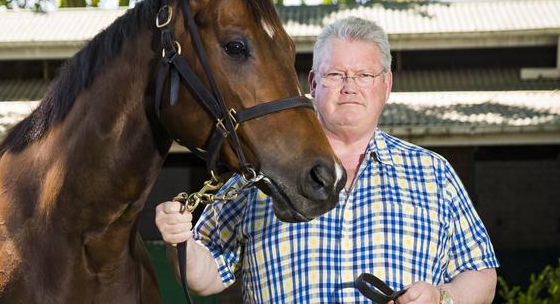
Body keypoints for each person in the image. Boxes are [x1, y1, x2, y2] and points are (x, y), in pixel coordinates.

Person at [155, 17, 498, 303]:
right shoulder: (261, 172)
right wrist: (179, 240)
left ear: (386, 85)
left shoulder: (433, 174)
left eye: (364, 75)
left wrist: (442, 298)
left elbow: (481, 273)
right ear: (314, 83)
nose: (350, 87)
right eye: (336, 75)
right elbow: (206, 277)